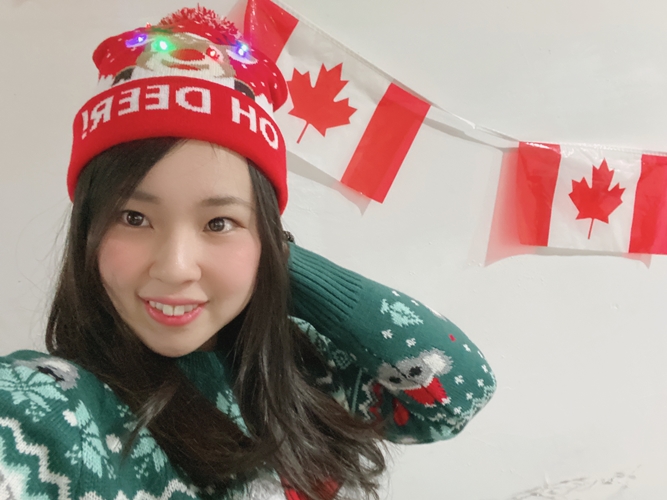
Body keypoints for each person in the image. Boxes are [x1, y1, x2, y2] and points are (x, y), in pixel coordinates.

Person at [0, 6, 496, 500]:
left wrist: (275, 265)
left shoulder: (306, 364)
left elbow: (460, 393)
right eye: (133, 218)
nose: (175, 267)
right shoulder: (52, 409)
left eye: (219, 222)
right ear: (88, 228)